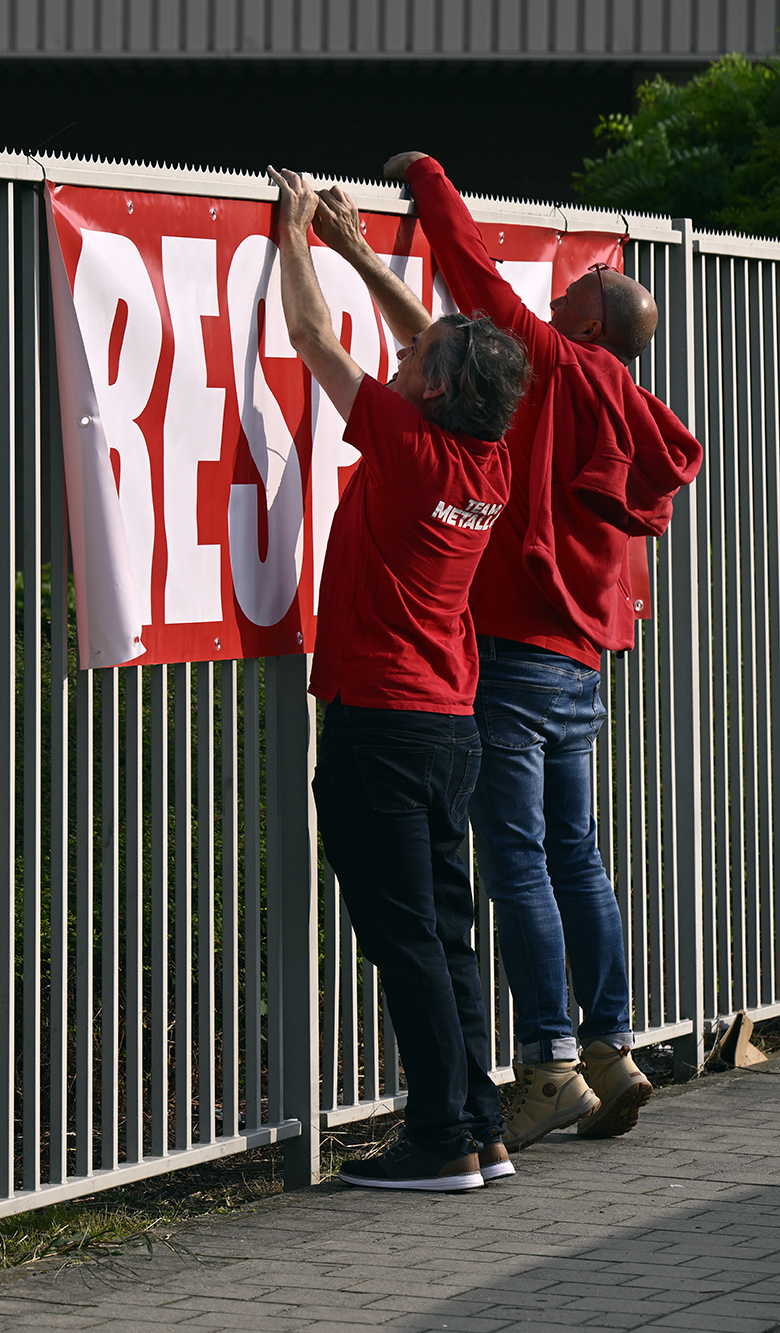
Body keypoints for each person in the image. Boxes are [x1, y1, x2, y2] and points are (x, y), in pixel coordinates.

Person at [317, 154, 703, 1151]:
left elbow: (475, 281)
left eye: (568, 290)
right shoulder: (627, 402)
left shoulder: (552, 365)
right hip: (586, 654)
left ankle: (546, 1065)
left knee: (517, 858)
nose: (553, 293)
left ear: (578, 325)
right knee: (576, 853)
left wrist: (430, 182)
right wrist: (364, 256)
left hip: (511, 652)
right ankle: (610, 1042)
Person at [267, 165, 529, 1192]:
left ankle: (438, 1139)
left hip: (378, 725)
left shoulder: (408, 447)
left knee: (402, 935)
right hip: (446, 725)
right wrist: (364, 255)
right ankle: (476, 1126)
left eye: (418, 358)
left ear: (427, 390)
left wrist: (295, 239)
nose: (410, 349)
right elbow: (438, 345)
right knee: (445, 932)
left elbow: (313, 345)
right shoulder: (483, 459)